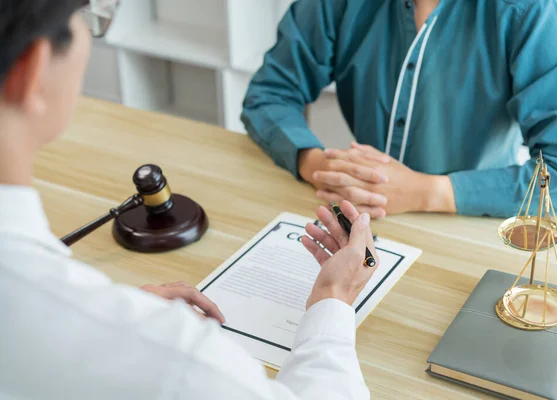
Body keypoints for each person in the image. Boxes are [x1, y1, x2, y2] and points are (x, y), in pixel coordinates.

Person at [0, 1, 377, 399]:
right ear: (33, 69)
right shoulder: (176, 360)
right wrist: (333, 299)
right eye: (88, 18)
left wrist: (110, 316)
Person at [241, 0, 557, 219]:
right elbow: (270, 93)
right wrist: (317, 164)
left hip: (476, 220)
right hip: (356, 210)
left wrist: (428, 191)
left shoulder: (534, 13)